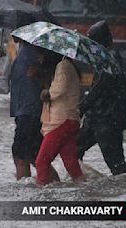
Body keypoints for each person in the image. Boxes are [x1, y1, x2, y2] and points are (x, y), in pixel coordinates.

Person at [77, 20, 126, 175]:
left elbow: (100, 88)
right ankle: (80, 182)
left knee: (116, 164)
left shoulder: (111, 59)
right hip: (96, 119)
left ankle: (124, 191)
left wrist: (81, 107)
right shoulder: (104, 58)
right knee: (74, 150)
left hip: (108, 121)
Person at [9, 41, 59, 181]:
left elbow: (48, 77)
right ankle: (54, 185)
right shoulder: (24, 50)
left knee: (22, 154)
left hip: (30, 111)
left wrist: (38, 73)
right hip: (24, 110)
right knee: (34, 155)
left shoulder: (35, 51)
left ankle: (24, 191)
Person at [34, 50, 85, 186]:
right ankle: (85, 191)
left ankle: (42, 198)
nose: (39, 57)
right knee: (71, 163)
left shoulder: (63, 65)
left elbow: (59, 89)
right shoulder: (64, 65)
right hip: (68, 120)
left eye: (41, 53)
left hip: (61, 121)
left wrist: (47, 93)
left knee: (41, 162)